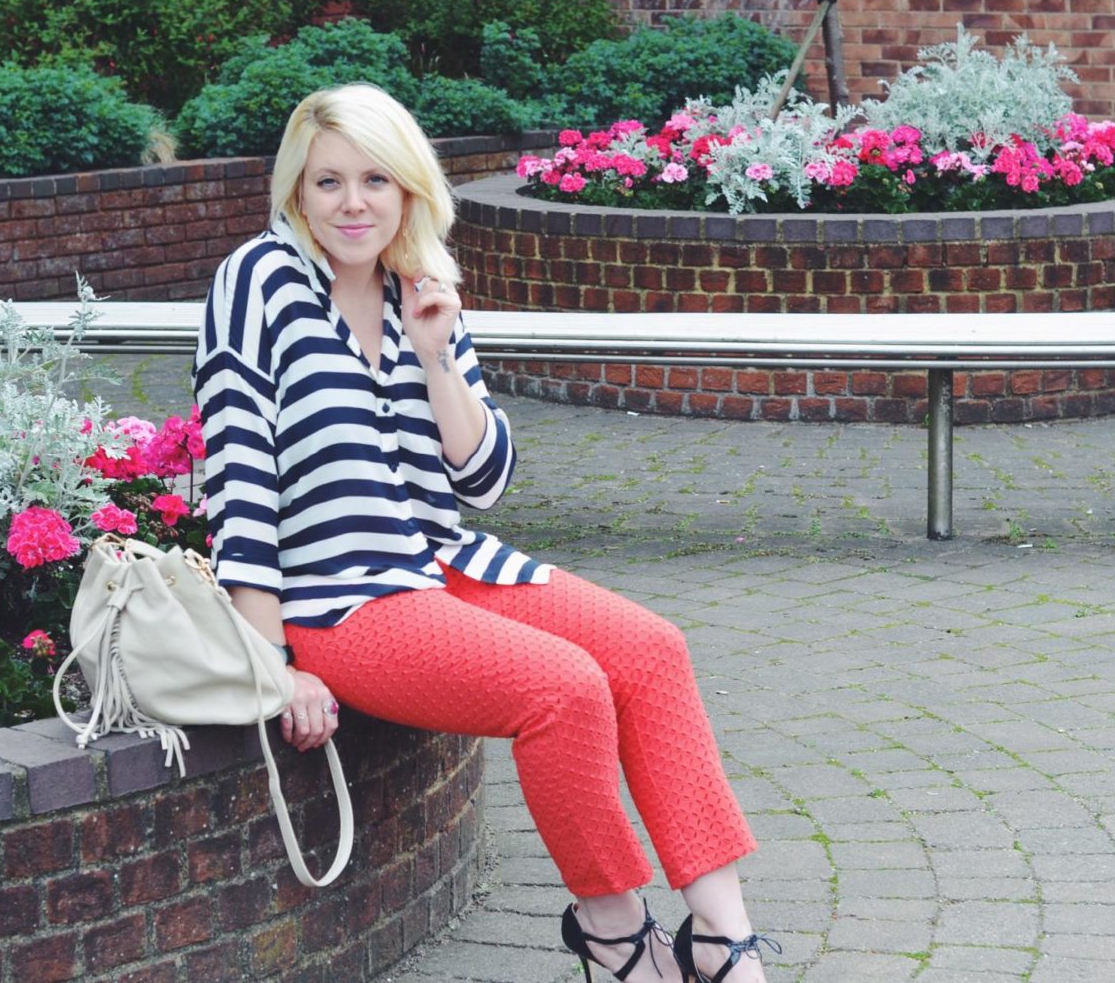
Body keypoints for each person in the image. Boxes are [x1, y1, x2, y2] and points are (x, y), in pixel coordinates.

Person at [193, 82, 777, 983]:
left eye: (376, 180)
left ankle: (721, 939)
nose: (353, 204)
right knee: (563, 688)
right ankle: (616, 933)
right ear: (296, 192)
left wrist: (436, 354)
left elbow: (486, 480)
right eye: (328, 182)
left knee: (651, 650)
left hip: (441, 560)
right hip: (339, 598)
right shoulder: (257, 282)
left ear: (409, 187)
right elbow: (239, 485)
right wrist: (274, 663)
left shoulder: (418, 282)